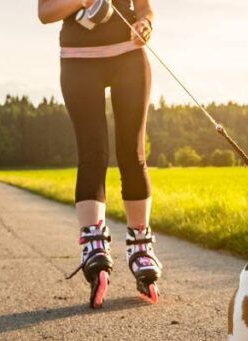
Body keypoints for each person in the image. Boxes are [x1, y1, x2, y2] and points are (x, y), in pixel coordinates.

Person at [37, 0, 161, 308]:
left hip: (129, 57)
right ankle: (94, 246)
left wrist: (145, 25)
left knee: (132, 153)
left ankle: (140, 245)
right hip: (79, 61)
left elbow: (145, 8)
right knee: (92, 154)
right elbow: (44, 12)